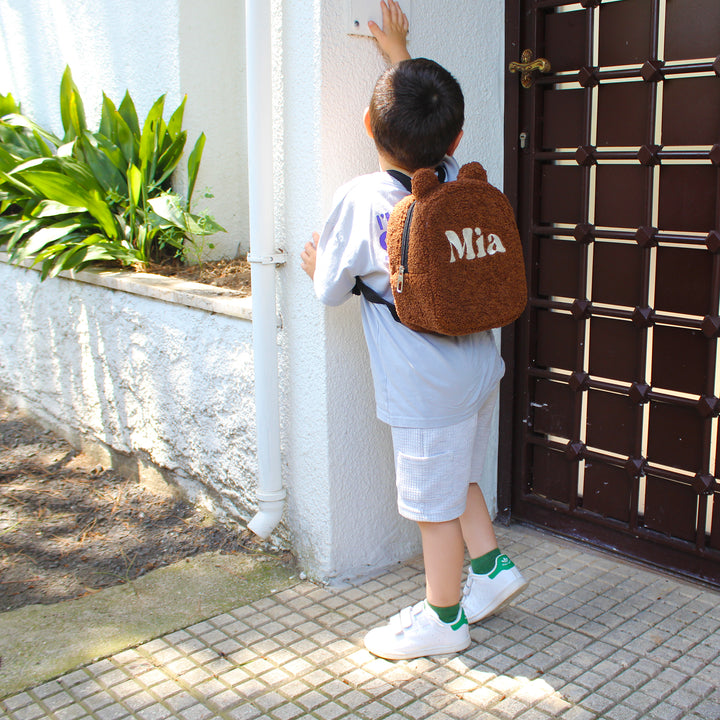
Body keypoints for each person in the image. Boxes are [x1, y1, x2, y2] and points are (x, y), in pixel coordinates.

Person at [300, 0, 527, 661]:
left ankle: (444, 618)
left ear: (367, 124)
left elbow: (332, 291)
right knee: (457, 475)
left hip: (424, 383)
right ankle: (491, 572)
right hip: (479, 365)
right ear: (454, 142)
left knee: (433, 501)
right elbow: (434, 129)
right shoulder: (452, 179)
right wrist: (402, 55)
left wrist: (318, 264)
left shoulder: (358, 200)